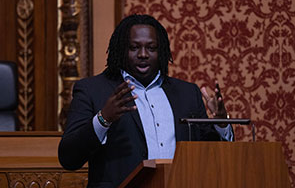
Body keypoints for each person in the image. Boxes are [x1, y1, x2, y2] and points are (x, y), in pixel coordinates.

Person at [58, 14, 234, 188]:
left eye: (151, 48)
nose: (143, 54)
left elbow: (210, 156)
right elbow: (68, 158)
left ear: (161, 51)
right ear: (121, 49)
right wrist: (103, 119)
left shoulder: (187, 93)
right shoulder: (93, 90)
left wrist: (221, 123)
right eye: (134, 47)